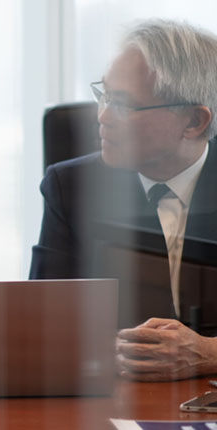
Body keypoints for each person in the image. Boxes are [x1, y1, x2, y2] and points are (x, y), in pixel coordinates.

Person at [29, 19, 217, 382]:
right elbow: (41, 326)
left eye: (123, 104)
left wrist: (208, 353)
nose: (102, 117)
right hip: (115, 397)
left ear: (193, 121)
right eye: (105, 95)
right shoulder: (71, 187)